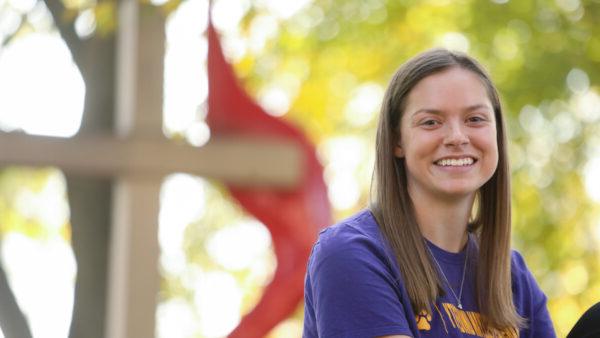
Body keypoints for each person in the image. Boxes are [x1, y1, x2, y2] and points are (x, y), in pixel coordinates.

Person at [302, 49, 557, 337]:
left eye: (475, 119)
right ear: (397, 140)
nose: (457, 137)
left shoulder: (513, 276)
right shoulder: (352, 253)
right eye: (431, 122)